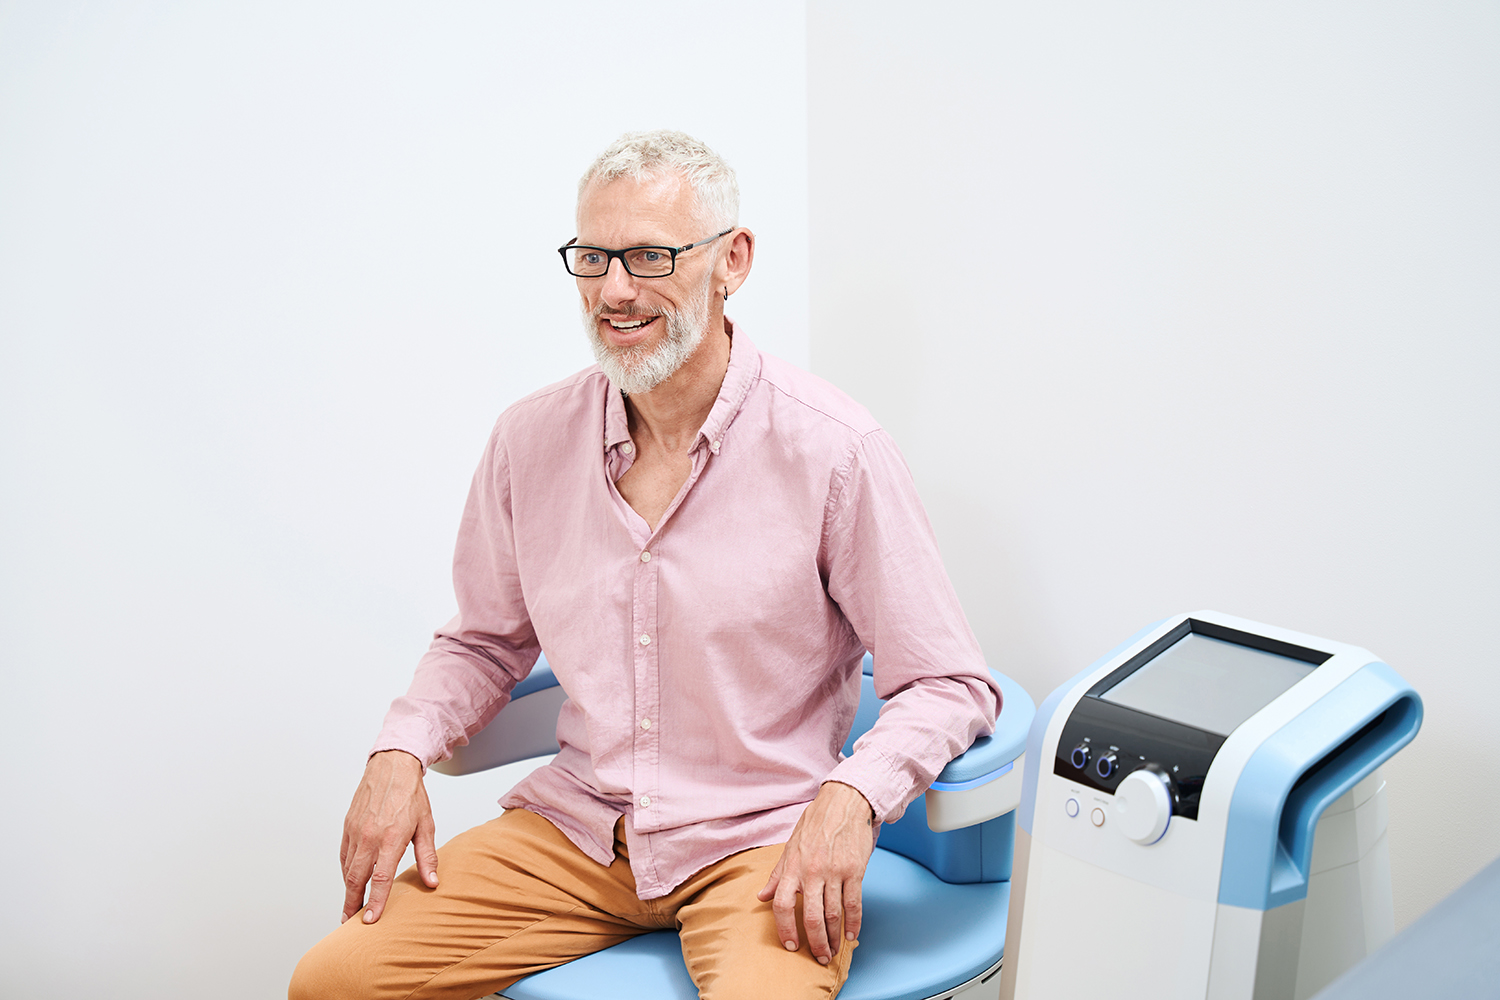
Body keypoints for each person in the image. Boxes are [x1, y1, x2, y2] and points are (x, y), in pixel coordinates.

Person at [289, 130, 1000, 1000]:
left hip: (763, 843)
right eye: (594, 257)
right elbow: (483, 642)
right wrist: (397, 754)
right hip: (579, 833)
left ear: (731, 260)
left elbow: (949, 682)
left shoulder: (836, 451)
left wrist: (851, 801)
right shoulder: (528, 441)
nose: (615, 291)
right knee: (335, 983)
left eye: (650, 256)